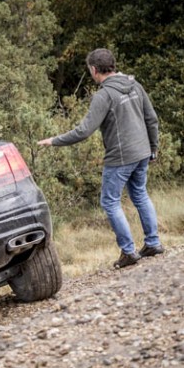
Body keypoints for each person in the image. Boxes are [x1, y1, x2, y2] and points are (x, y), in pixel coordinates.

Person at [37, 48, 163, 269]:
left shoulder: (104, 95)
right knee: (140, 194)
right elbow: (151, 119)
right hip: (143, 152)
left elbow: (84, 131)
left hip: (121, 157)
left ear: (94, 70)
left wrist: (54, 140)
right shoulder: (135, 85)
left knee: (110, 201)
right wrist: (153, 148)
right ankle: (153, 243)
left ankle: (128, 251)